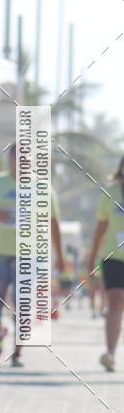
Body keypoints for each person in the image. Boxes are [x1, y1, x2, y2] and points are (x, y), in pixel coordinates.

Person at [0, 143, 64, 366]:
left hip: (28, 254)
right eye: (16, 158)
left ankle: (18, 351)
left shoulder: (43, 188)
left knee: (23, 302)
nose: (20, 162)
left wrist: (60, 255)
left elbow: (53, 223)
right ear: (9, 160)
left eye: (25, 158)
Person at [87, 156, 124, 372]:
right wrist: (91, 256)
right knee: (115, 300)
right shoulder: (110, 192)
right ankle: (110, 353)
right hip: (113, 256)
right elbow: (100, 227)